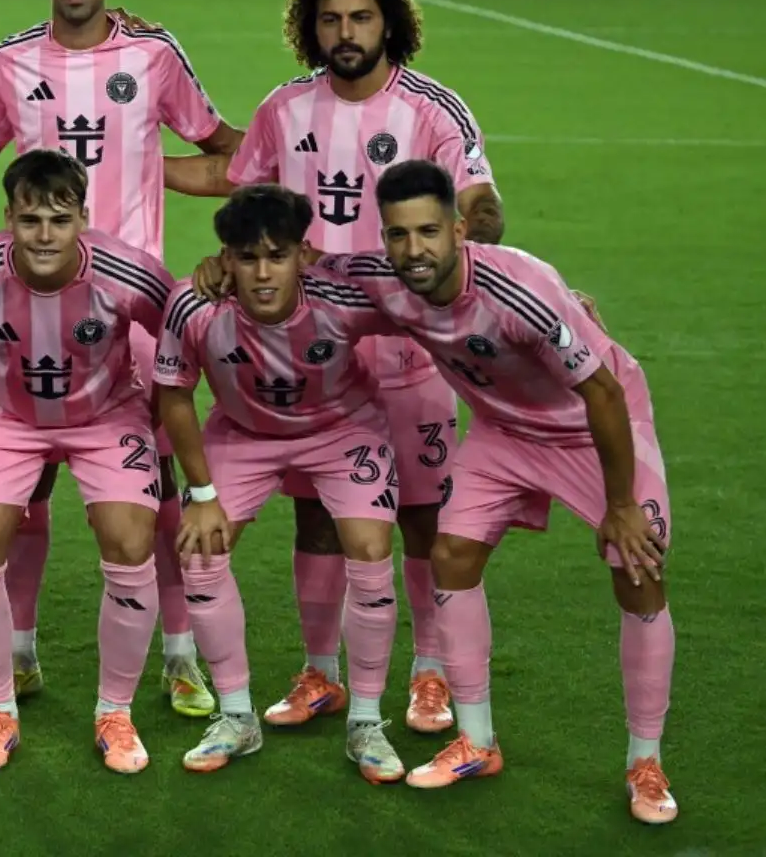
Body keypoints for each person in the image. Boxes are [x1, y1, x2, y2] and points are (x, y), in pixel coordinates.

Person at [198, 159, 677, 824]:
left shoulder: (522, 288)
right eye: (398, 235)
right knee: (451, 557)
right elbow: (297, 266)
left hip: (588, 427)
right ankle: (477, 740)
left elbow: (602, 391)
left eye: (428, 232)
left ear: (458, 230)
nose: (413, 251)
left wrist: (622, 505)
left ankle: (645, 763)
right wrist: (219, 265)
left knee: (639, 566)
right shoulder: (386, 283)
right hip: (504, 431)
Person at [0, 0, 241, 719]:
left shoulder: (154, 55)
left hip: (136, 313)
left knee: (158, 501)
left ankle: (178, 657)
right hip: (29, 308)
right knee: (23, 497)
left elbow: (220, 145)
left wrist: (291, 158)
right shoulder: (13, 61)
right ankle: (18, 652)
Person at [165, 0, 503, 734]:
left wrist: (448, 256)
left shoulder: (431, 110)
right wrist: (143, 172)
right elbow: (243, 189)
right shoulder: (286, 109)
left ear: (390, 22)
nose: (344, 33)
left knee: (421, 519)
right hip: (310, 356)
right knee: (316, 515)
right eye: (329, 19)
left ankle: (429, 675)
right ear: (308, 27)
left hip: (407, 352)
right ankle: (321, 672)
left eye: (359, 17)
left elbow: (481, 208)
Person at [0, 150, 175, 773]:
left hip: (106, 416)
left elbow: (181, 330)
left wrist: (157, 416)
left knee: (128, 538)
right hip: (5, 416)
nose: (44, 234)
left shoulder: (128, 272)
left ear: (82, 219)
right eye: (30, 219)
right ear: (8, 215)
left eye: (59, 220)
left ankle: (114, 713)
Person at [154, 185, 405, 783]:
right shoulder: (194, 306)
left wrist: (560, 307)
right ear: (225, 257)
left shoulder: (342, 298)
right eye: (247, 257)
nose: (262, 273)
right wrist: (204, 495)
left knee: (369, 550)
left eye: (277, 255)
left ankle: (365, 720)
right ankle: (238, 716)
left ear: (304, 253)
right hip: (244, 432)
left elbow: (434, 307)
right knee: (201, 552)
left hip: (343, 429)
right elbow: (173, 392)